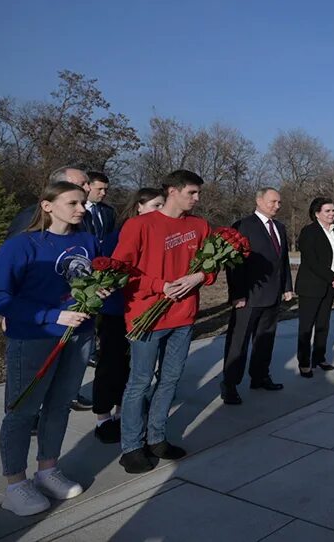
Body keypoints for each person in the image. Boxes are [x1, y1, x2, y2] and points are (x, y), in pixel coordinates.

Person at [0, 181, 103, 516]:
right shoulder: (22, 245)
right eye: (73, 202)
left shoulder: (87, 241)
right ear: (47, 206)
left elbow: (93, 282)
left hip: (79, 336)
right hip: (35, 337)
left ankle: (48, 469)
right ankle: (16, 483)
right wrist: (51, 315)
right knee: (22, 410)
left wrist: (100, 295)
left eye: (83, 202)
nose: (81, 209)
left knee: (60, 404)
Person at [113, 169, 215, 473]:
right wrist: (159, 286)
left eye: (198, 194)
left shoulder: (199, 226)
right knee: (140, 382)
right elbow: (121, 268)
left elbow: (212, 267)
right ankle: (131, 446)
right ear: (172, 190)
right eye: (191, 193)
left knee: (170, 379)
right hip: (146, 316)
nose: (196, 199)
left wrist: (199, 275)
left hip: (183, 317)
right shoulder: (140, 225)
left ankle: (156, 437)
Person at [90, 187, 165, 444]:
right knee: (111, 363)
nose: (161, 211)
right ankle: (103, 416)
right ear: (139, 207)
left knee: (134, 366)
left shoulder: (158, 235)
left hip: (144, 309)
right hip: (116, 310)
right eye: (156, 205)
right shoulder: (118, 236)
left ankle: (125, 413)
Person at [220, 187, 294, 404]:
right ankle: (230, 384)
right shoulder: (243, 226)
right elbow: (234, 264)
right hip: (249, 297)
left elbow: (283, 260)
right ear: (259, 200)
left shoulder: (279, 227)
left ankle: (260, 376)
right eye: (273, 202)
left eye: (279, 202)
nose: (277, 206)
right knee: (238, 342)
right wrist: (238, 294)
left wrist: (287, 286)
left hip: (273, 295)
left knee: (265, 339)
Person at [294, 197, 334, 377]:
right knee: (306, 326)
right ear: (317, 213)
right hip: (311, 286)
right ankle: (304, 362)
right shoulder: (309, 232)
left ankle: (319, 357)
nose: (332, 214)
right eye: (327, 211)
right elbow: (311, 260)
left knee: (323, 324)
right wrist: (332, 276)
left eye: (333, 211)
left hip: (331, 287)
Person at [6, 166, 90, 239]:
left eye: (88, 183)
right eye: (82, 184)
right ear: (59, 187)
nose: (88, 188)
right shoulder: (31, 216)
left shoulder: (86, 216)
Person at [83, 171, 117, 255]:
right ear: (88, 187)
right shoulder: (75, 210)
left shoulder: (109, 211)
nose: (103, 193)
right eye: (100, 189)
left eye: (105, 189)